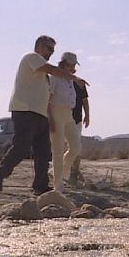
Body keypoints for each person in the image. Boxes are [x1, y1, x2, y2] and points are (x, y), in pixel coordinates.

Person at [0, 35, 80, 195]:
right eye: (49, 48)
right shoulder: (31, 58)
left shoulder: (44, 73)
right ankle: (0, 173)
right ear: (39, 46)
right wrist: (73, 77)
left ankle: (40, 185)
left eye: (53, 50)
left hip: (40, 113)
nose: (51, 52)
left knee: (43, 152)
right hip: (25, 110)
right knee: (21, 147)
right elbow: (51, 69)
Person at [47, 52, 85, 191]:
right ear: (64, 63)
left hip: (68, 114)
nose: (73, 67)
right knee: (57, 150)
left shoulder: (70, 79)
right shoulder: (54, 77)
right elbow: (48, 99)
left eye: (74, 65)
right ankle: (58, 185)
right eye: (71, 64)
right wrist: (50, 118)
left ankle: (57, 173)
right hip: (56, 113)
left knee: (76, 147)